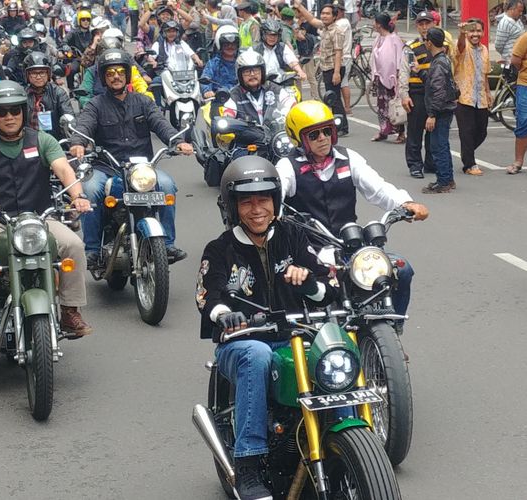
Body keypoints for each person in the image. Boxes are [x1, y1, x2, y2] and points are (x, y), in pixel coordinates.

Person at [196, 155, 335, 500]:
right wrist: (225, 314)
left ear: (276, 200)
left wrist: (308, 284)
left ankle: (344, 440)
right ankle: (249, 464)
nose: (257, 209)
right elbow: (206, 296)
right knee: (257, 356)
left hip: (295, 337)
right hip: (242, 342)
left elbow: (327, 287)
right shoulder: (220, 249)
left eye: (264, 199)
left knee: (337, 350)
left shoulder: (293, 236)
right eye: (247, 201)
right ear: (232, 206)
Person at [0, 80, 93, 348]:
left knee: (74, 245)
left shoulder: (43, 140)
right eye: (2, 112)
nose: (9, 117)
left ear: (23, 111)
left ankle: (69, 310)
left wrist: (78, 196)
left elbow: (64, 170)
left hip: (41, 219)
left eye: (15, 111)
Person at [277, 100, 429, 320]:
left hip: (350, 246)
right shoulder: (287, 167)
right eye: (313, 134)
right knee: (293, 284)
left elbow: (379, 188)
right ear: (299, 139)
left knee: (401, 270)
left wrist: (406, 203)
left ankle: (393, 329)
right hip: (310, 250)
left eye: (326, 131)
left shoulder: (348, 158)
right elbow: (274, 197)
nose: (322, 138)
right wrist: (273, 215)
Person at [69, 48, 194, 267]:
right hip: (107, 167)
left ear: (127, 74)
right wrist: (78, 143)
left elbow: (160, 123)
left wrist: (177, 141)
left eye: (119, 72)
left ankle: (167, 245)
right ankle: (92, 250)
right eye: (110, 73)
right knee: (88, 190)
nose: (115, 76)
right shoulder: (95, 105)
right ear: (104, 78)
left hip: (142, 169)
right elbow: (84, 124)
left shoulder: (143, 102)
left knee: (166, 185)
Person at [293, 1, 348, 135]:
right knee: (332, 97)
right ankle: (338, 124)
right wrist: (300, 6)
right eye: (323, 13)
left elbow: (338, 52)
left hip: (334, 68)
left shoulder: (337, 31)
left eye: (327, 14)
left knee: (334, 98)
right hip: (326, 68)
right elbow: (311, 19)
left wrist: (336, 73)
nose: (324, 16)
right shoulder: (325, 27)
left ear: (334, 16)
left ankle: (342, 126)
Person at [398, 10, 435, 179]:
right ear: (417, 26)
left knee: (433, 131)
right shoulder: (411, 48)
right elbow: (404, 72)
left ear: (433, 24)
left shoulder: (440, 45)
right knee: (414, 131)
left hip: (434, 93)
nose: (425, 27)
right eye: (421, 24)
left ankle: (431, 163)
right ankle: (414, 164)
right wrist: (404, 95)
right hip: (417, 93)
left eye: (427, 23)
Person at [453, 18, 491, 177]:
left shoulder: (484, 50)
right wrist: (462, 34)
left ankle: (466, 153)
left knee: (481, 131)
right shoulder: (462, 46)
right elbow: (460, 46)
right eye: (472, 31)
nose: (475, 34)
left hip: (480, 97)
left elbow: (485, 74)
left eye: (478, 31)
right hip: (464, 97)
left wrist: (488, 93)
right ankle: (469, 164)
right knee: (466, 132)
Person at [421, 27, 457, 194]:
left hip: (441, 110)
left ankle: (443, 181)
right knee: (442, 144)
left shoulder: (437, 63)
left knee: (438, 146)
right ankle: (447, 178)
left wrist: (432, 114)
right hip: (446, 108)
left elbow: (438, 91)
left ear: (429, 42)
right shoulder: (443, 60)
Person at [223, 49, 296, 125]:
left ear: (262, 72)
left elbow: (290, 103)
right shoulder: (235, 94)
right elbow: (229, 110)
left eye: (256, 70)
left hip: (275, 133)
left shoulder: (273, 88)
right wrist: (228, 118)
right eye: (247, 71)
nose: (252, 74)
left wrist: (288, 112)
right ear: (240, 75)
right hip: (249, 135)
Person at [370, 13, 405, 143]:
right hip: (380, 76)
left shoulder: (394, 39)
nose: (374, 25)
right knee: (381, 106)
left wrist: (398, 74)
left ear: (379, 24)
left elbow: (399, 58)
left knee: (394, 105)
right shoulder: (379, 38)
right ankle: (383, 130)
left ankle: (401, 132)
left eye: (375, 22)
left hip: (392, 77)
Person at [23, 52, 74, 140]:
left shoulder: (58, 93)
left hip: (54, 142)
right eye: (34, 73)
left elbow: (68, 116)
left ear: (48, 74)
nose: (38, 77)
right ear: (27, 75)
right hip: (28, 142)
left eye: (42, 73)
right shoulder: (22, 95)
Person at [506, 28, 527, 173]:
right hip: (525, 85)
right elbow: (515, 60)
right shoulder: (525, 38)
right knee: (523, 121)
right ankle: (518, 161)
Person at [200, 25, 239, 99]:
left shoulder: (242, 62)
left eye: (233, 44)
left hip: (240, 99)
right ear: (219, 45)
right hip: (219, 99)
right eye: (226, 44)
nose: (230, 47)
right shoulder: (213, 63)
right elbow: (206, 76)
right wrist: (207, 91)